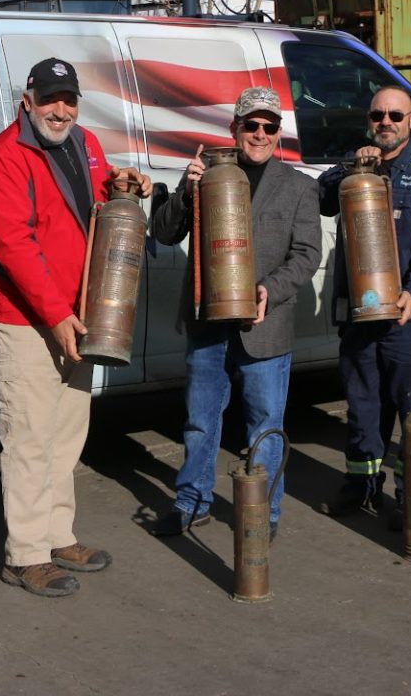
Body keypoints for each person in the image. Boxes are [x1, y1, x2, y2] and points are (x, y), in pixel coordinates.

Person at [0, 56, 152, 597]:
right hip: (28, 319)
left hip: (78, 315)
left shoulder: (87, 144)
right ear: (27, 101)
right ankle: (25, 554)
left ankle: (57, 535)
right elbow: (14, 246)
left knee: (66, 432)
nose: (61, 109)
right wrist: (56, 316)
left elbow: (99, 198)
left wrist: (127, 184)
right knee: (29, 437)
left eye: (69, 99)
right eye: (50, 98)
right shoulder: (5, 157)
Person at [148, 87, 321, 543]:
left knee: (266, 425)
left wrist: (271, 290)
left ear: (278, 133)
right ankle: (192, 502)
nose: (260, 134)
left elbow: (306, 255)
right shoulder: (206, 175)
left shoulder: (300, 187)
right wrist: (186, 192)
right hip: (209, 324)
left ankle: (264, 512)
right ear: (234, 129)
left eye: (269, 126)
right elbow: (164, 233)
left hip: (265, 324)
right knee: (200, 420)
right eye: (251, 125)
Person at [316, 84, 411, 529]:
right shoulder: (360, 170)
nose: (385, 123)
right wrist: (351, 166)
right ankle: (362, 485)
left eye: (395, 116)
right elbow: (320, 199)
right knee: (363, 405)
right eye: (377, 115)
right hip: (363, 316)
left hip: (410, 318)